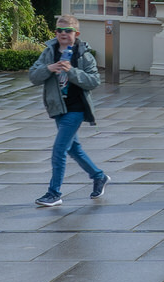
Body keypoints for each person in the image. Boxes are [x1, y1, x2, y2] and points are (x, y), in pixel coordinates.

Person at [28, 14, 109, 207]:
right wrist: (49, 68)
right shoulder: (49, 53)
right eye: (59, 30)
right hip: (58, 107)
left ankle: (54, 192)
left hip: (76, 108)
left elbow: (94, 81)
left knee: (59, 150)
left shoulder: (83, 55)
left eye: (68, 31)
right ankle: (99, 176)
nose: (63, 34)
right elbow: (33, 76)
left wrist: (71, 71)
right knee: (74, 149)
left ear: (76, 33)